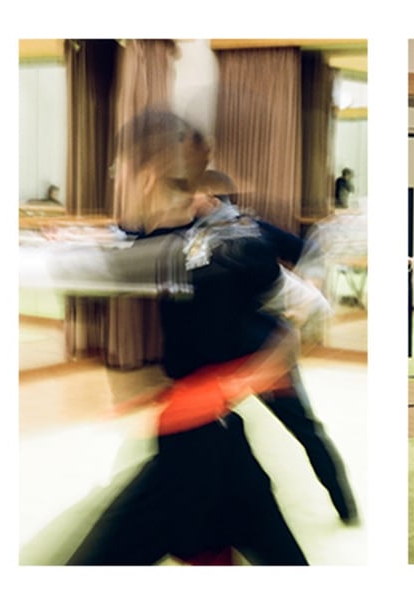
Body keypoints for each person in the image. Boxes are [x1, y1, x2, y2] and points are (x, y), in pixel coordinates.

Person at [27, 110, 311, 564]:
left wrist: (222, 386)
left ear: (145, 177)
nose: (116, 182)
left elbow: (304, 315)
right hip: (211, 446)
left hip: (197, 457)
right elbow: (304, 315)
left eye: (119, 170)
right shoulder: (198, 240)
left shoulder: (196, 251)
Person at [193, 170, 359, 524]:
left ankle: (344, 504)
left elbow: (309, 252)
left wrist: (303, 302)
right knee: (199, 433)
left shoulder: (250, 228)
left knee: (304, 429)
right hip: (217, 355)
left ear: (209, 195)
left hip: (265, 351)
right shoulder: (185, 235)